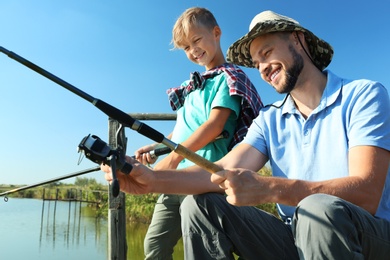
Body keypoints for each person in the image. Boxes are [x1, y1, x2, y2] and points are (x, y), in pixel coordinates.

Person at [102, 10, 390, 259]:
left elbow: (366, 194)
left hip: (365, 236)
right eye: (256, 62)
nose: (263, 69)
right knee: (199, 204)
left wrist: (270, 188)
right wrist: (151, 179)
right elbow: (221, 170)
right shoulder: (270, 118)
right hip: (292, 238)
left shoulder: (363, 95)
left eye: (267, 53)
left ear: (297, 40)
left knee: (319, 209)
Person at [133, 7, 263, 260]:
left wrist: (174, 158)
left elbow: (214, 125)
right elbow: (184, 128)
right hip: (174, 179)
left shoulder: (228, 78)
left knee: (207, 250)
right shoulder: (190, 89)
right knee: (154, 246)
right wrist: (156, 148)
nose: (193, 51)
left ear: (216, 33)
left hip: (205, 179)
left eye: (196, 40)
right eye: (186, 47)